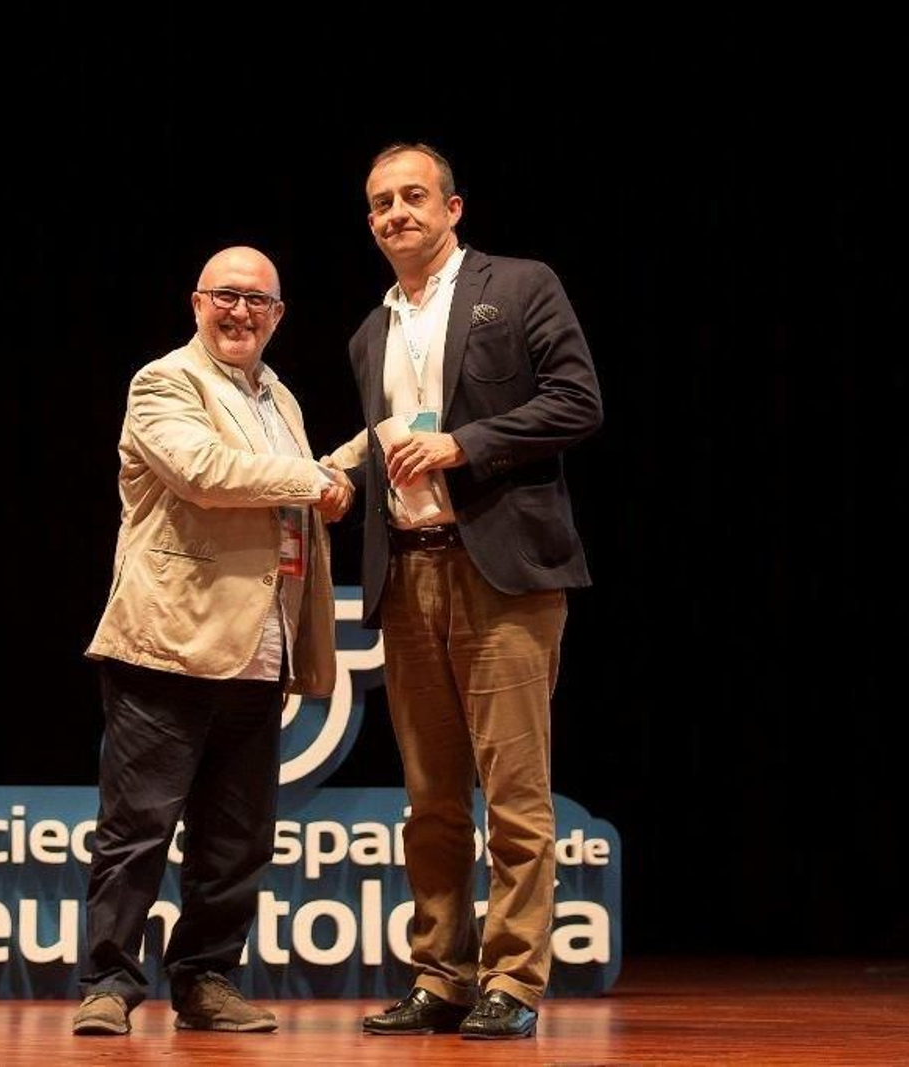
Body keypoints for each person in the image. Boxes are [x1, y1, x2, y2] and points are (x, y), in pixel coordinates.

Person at [325, 144, 602, 1040]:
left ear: (453, 208)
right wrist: (340, 478)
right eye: (380, 203)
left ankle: (513, 977)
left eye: (413, 196)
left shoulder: (517, 286)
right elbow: (385, 442)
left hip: (502, 573)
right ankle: (441, 974)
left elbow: (578, 400)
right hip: (408, 574)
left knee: (515, 793)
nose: (395, 213)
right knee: (432, 800)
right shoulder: (370, 332)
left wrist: (464, 444)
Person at [73, 246, 353, 1036]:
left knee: (237, 839)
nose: (239, 311)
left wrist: (328, 491)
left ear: (278, 315)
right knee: (138, 828)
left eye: (257, 300)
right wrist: (313, 480)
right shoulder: (163, 381)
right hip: (168, 640)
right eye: (225, 295)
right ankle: (108, 982)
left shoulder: (281, 399)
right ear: (196, 303)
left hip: (259, 646)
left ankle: (204, 979)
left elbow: (285, 501)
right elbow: (203, 470)